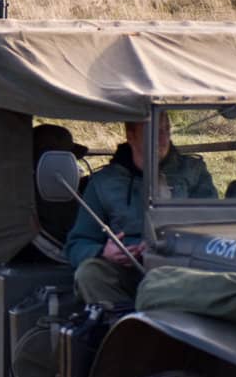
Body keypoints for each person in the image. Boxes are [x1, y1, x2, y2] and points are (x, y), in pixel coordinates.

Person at [67, 114, 216, 308]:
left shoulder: (193, 172)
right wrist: (104, 252)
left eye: (166, 130)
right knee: (90, 273)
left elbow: (213, 227)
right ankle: (125, 329)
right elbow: (77, 244)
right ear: (131, 136)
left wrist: (173, 243)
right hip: (129, 272)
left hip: (183, 268)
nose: (163, 139)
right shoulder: (104, 182)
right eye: (153, 131)